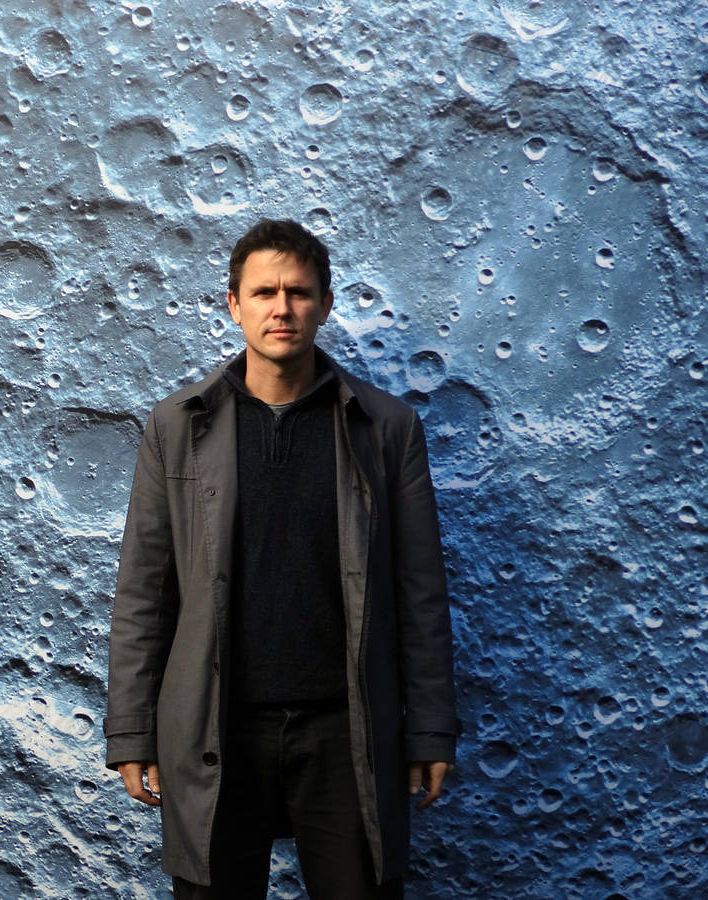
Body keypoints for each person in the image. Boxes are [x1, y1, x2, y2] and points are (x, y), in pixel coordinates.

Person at [103, 219, 460, 898]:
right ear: (233, 304)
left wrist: (432, 727)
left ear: (326, 305)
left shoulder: (386, 429)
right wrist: (132, 728)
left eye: (299, 292)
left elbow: (421, 593)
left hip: (346, 730)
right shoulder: (178, 425)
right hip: (216, 725)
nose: (282, 308)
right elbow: (144, 591)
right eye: (264, 291)